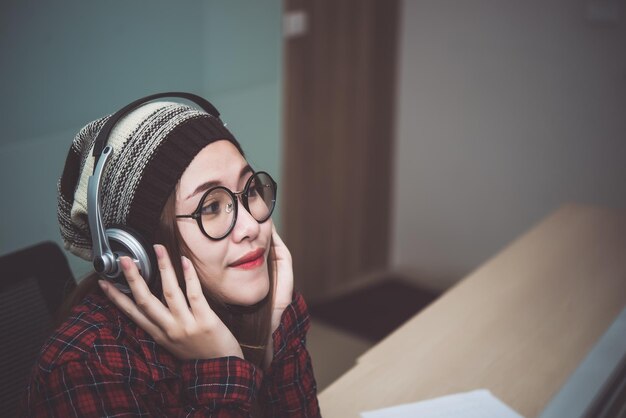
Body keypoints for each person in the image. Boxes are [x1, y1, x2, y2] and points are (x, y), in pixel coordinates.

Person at [20, 94, 321, 417]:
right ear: (138, 250)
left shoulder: (264, 301)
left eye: (250, 191)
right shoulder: (87, 365)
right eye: (210, 207)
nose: (251, 225)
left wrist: (279, 336)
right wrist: (221, 368)